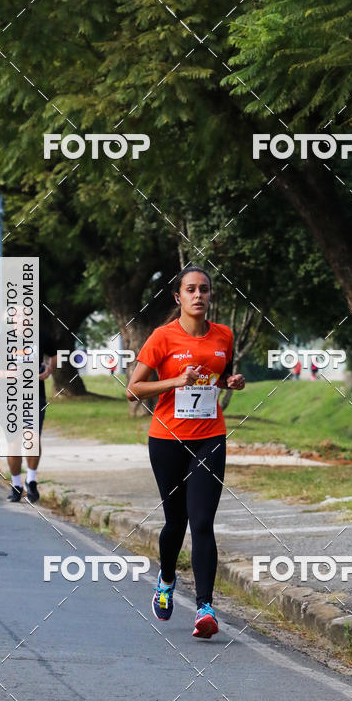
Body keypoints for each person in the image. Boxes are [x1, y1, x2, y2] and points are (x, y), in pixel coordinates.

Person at [127, 266, 245, 640]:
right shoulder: (162, 337)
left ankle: (206, 608)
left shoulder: (224, 334)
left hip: (210, 437)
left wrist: (232, 381)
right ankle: (165, 578)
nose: (199, 295)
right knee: (175, 522)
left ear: (210, 296)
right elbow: (133, 389)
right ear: (178, 297)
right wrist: (176, 380)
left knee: (203, 522)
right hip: (167, 440)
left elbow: (222, 371)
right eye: (191, 290)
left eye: (205, 290)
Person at [0, 328, 57, 503]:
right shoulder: (1, 340)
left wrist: (49, 370)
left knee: (32, 438)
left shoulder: (42, 337)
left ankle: (31, 481)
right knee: (14, 443)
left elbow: (55, 355)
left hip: (34, 395)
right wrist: (4, 374)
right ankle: (16, 485)